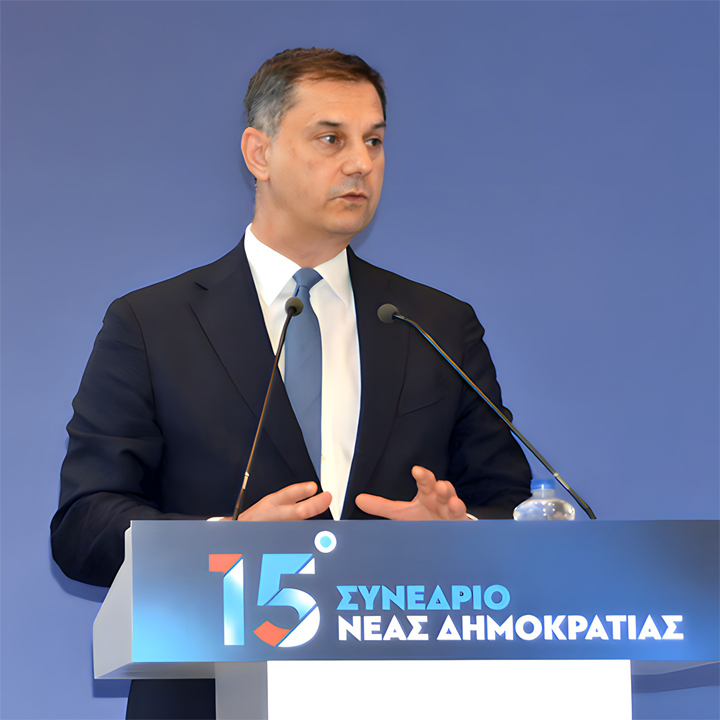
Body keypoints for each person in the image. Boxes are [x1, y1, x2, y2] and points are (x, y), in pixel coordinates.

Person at [51, 47, 531, 720]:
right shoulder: (152, 324)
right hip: (212, 697)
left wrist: (460, 534)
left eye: (374, 141)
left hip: (406, 693)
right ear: (260, 153)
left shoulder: (437, 323)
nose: (360, 163)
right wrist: (222, 542)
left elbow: (510, 506)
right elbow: (84, 524)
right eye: (331, 139)